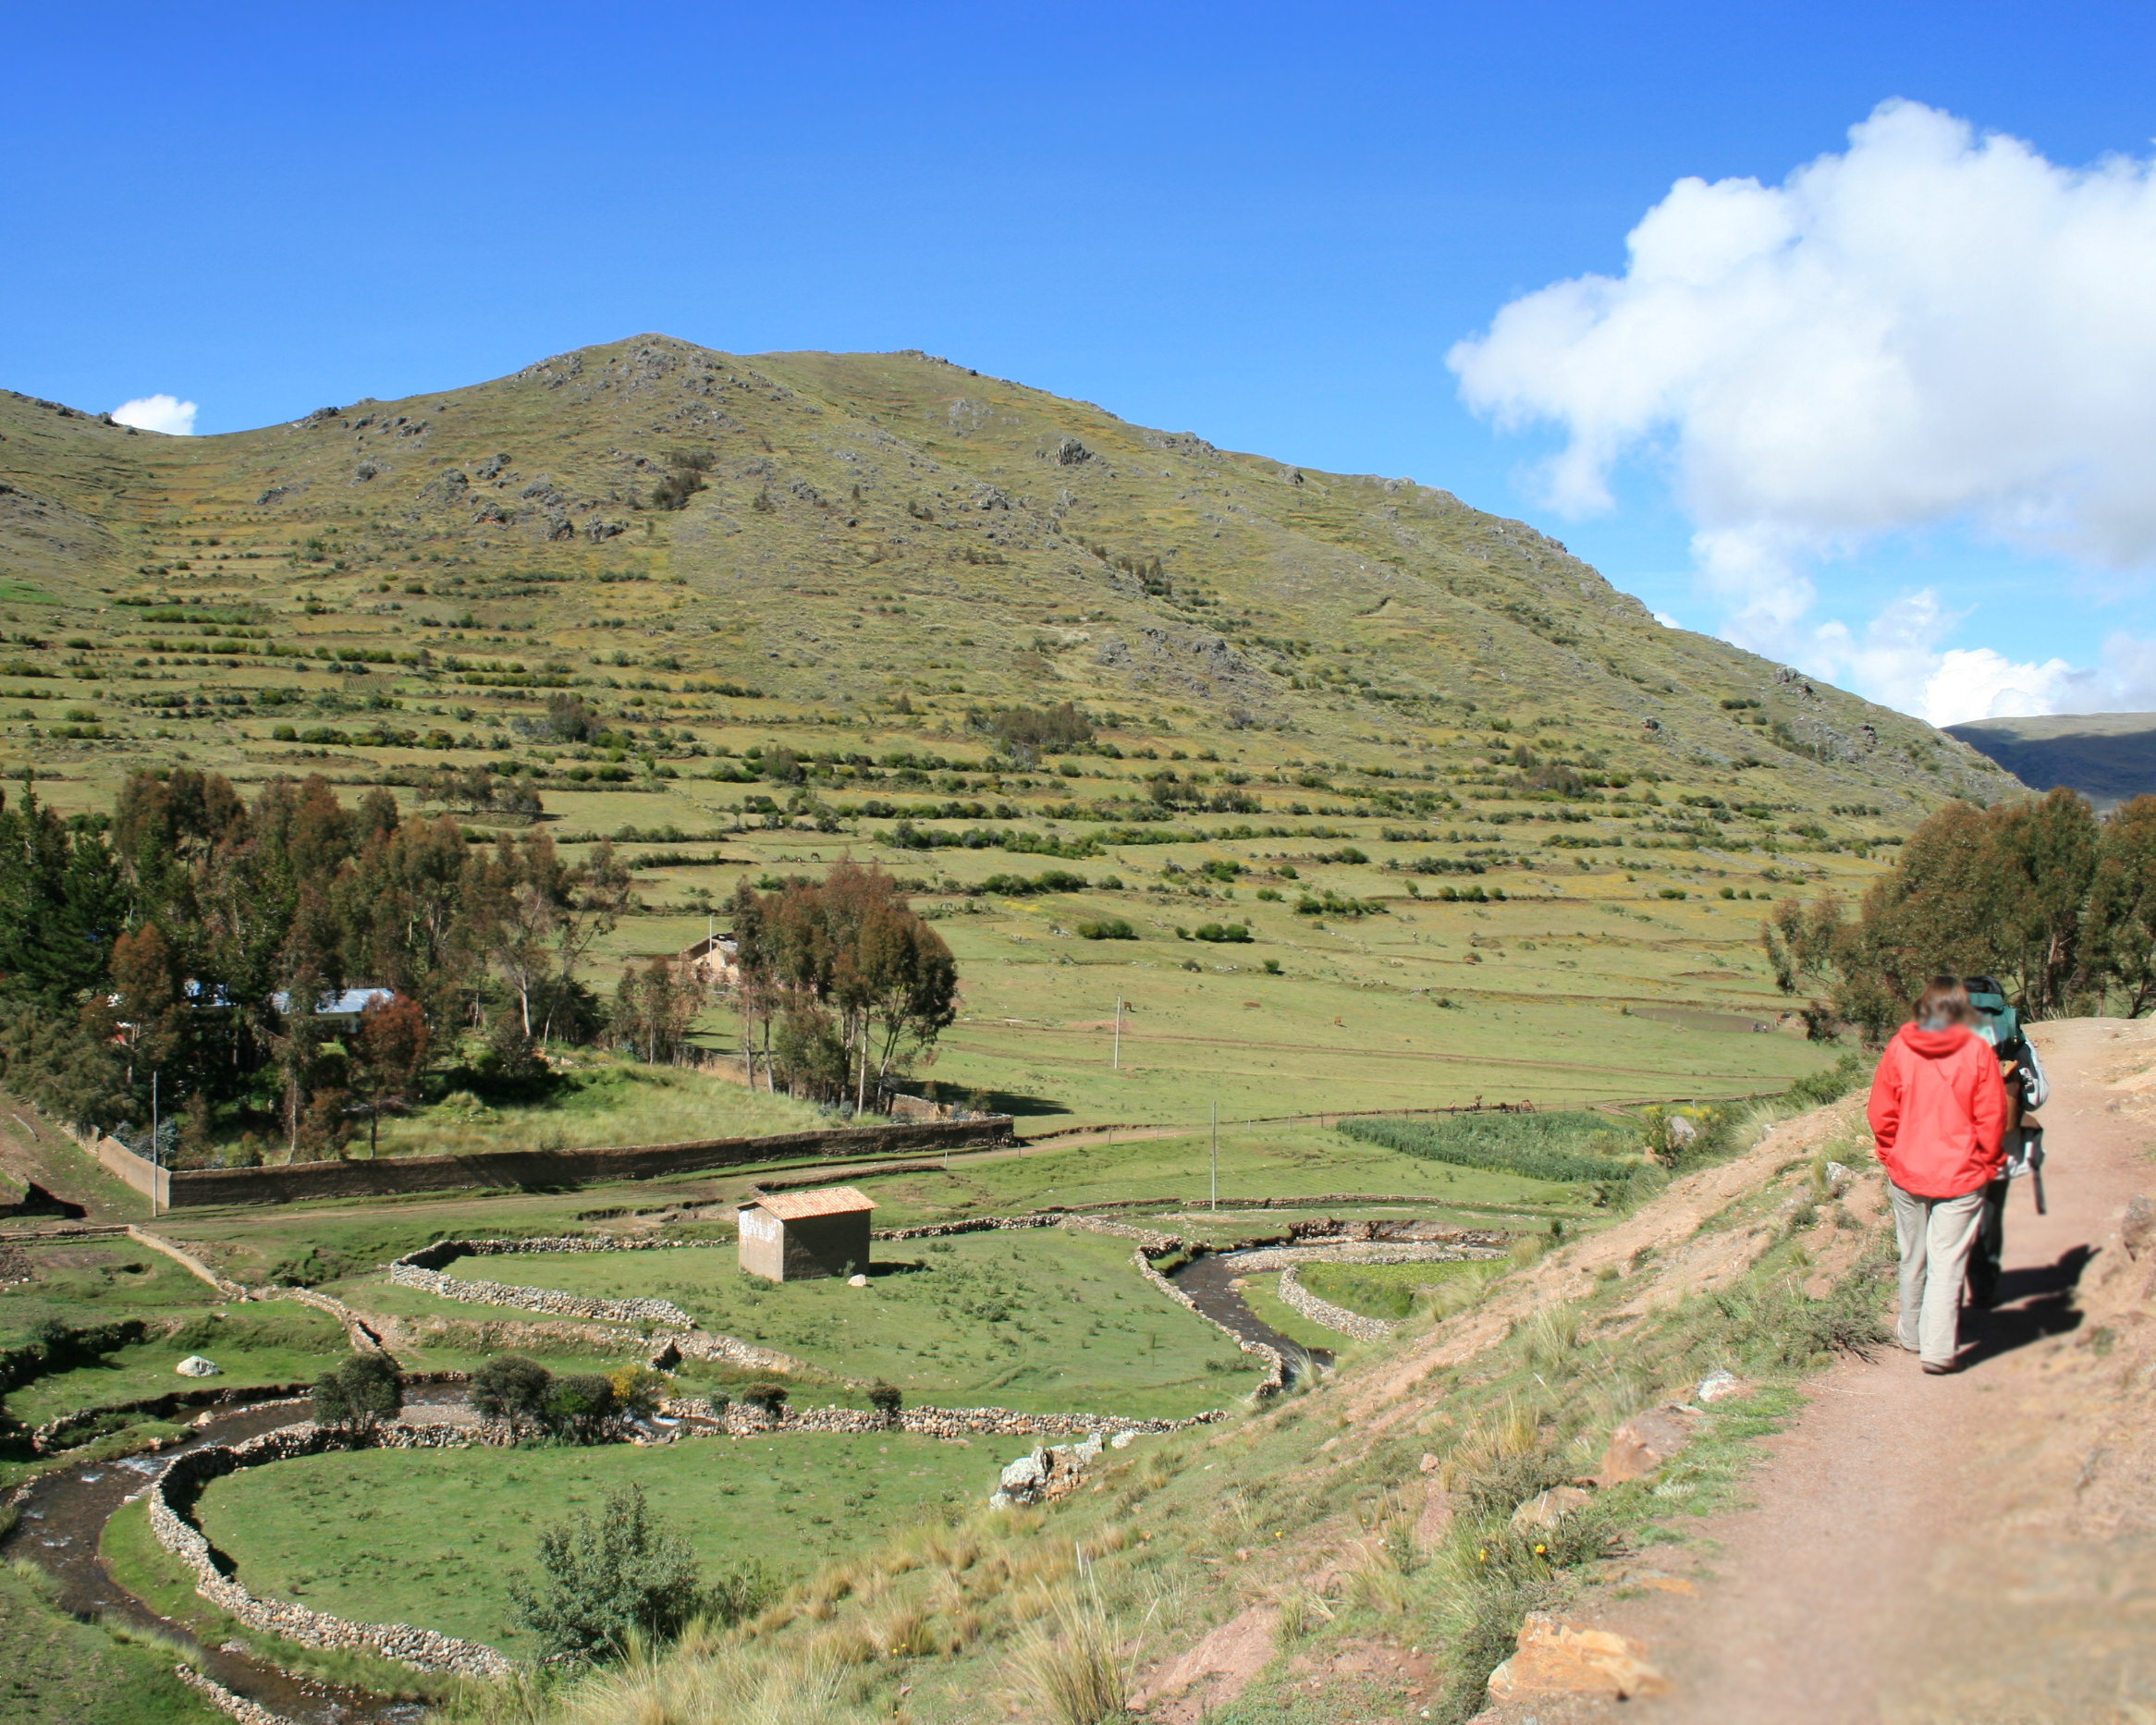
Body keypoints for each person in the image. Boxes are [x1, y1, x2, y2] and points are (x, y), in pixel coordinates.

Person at [1867, 976, 2010, 1374]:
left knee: (1913, 1256)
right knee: (1948, 1262)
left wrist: (1889, 1152)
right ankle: (1938, 1350)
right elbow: (1992, 1117)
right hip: (1962, 1174)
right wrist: (1987, 1160)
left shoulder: (1900, 1047)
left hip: (1908, 1170)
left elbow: (1881, 1112)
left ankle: (1911, 1335)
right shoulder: (1979, 1052)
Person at [1961, 974, 2050, 1309]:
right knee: (1989, 1215)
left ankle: (1944, 1294)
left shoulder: (1941, 1033)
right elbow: (2039, 1095)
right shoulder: (2014, 1038)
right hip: (2000, 1146)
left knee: (1948, 1214)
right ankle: (1984, 1291)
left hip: (1953, 1144)